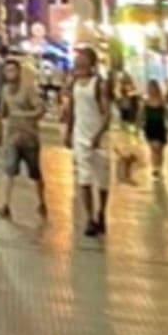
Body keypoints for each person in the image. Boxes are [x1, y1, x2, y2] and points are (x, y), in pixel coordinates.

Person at [64, 45, 112, 241]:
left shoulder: (98, 84)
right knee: (83, 178)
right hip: (80, 135)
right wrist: (68, 132)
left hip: (98, 137)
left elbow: (107, 112)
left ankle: (101, 212)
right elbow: (72, 110)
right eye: (77, 61)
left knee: (102, 179)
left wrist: (99, 134)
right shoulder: (74, 83)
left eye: (82, 60)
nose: (78, 63)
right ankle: (90, 217)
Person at [0, 57, 46, 222]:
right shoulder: (4, 90)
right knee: (9, 170)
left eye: (13, 70)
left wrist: (25, 115)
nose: (10, 73)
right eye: (7, 70)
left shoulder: (28, 89)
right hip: (13, 138)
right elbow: (2, 112)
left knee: (35, 173)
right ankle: (5, 204)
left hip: (30, 137)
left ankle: (42, 202)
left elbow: (40, 109)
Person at [142, 77, 168, 178]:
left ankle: (159, 167)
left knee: (160, 149)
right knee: (153, 148)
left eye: (153, 87)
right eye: (150, 87)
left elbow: (167, 114)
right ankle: (155, 168)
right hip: (150, 126)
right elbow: (142, 114)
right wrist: (141, 123)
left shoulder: (162, 101)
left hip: (160, 126)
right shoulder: (145, 101)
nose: (152, 90)